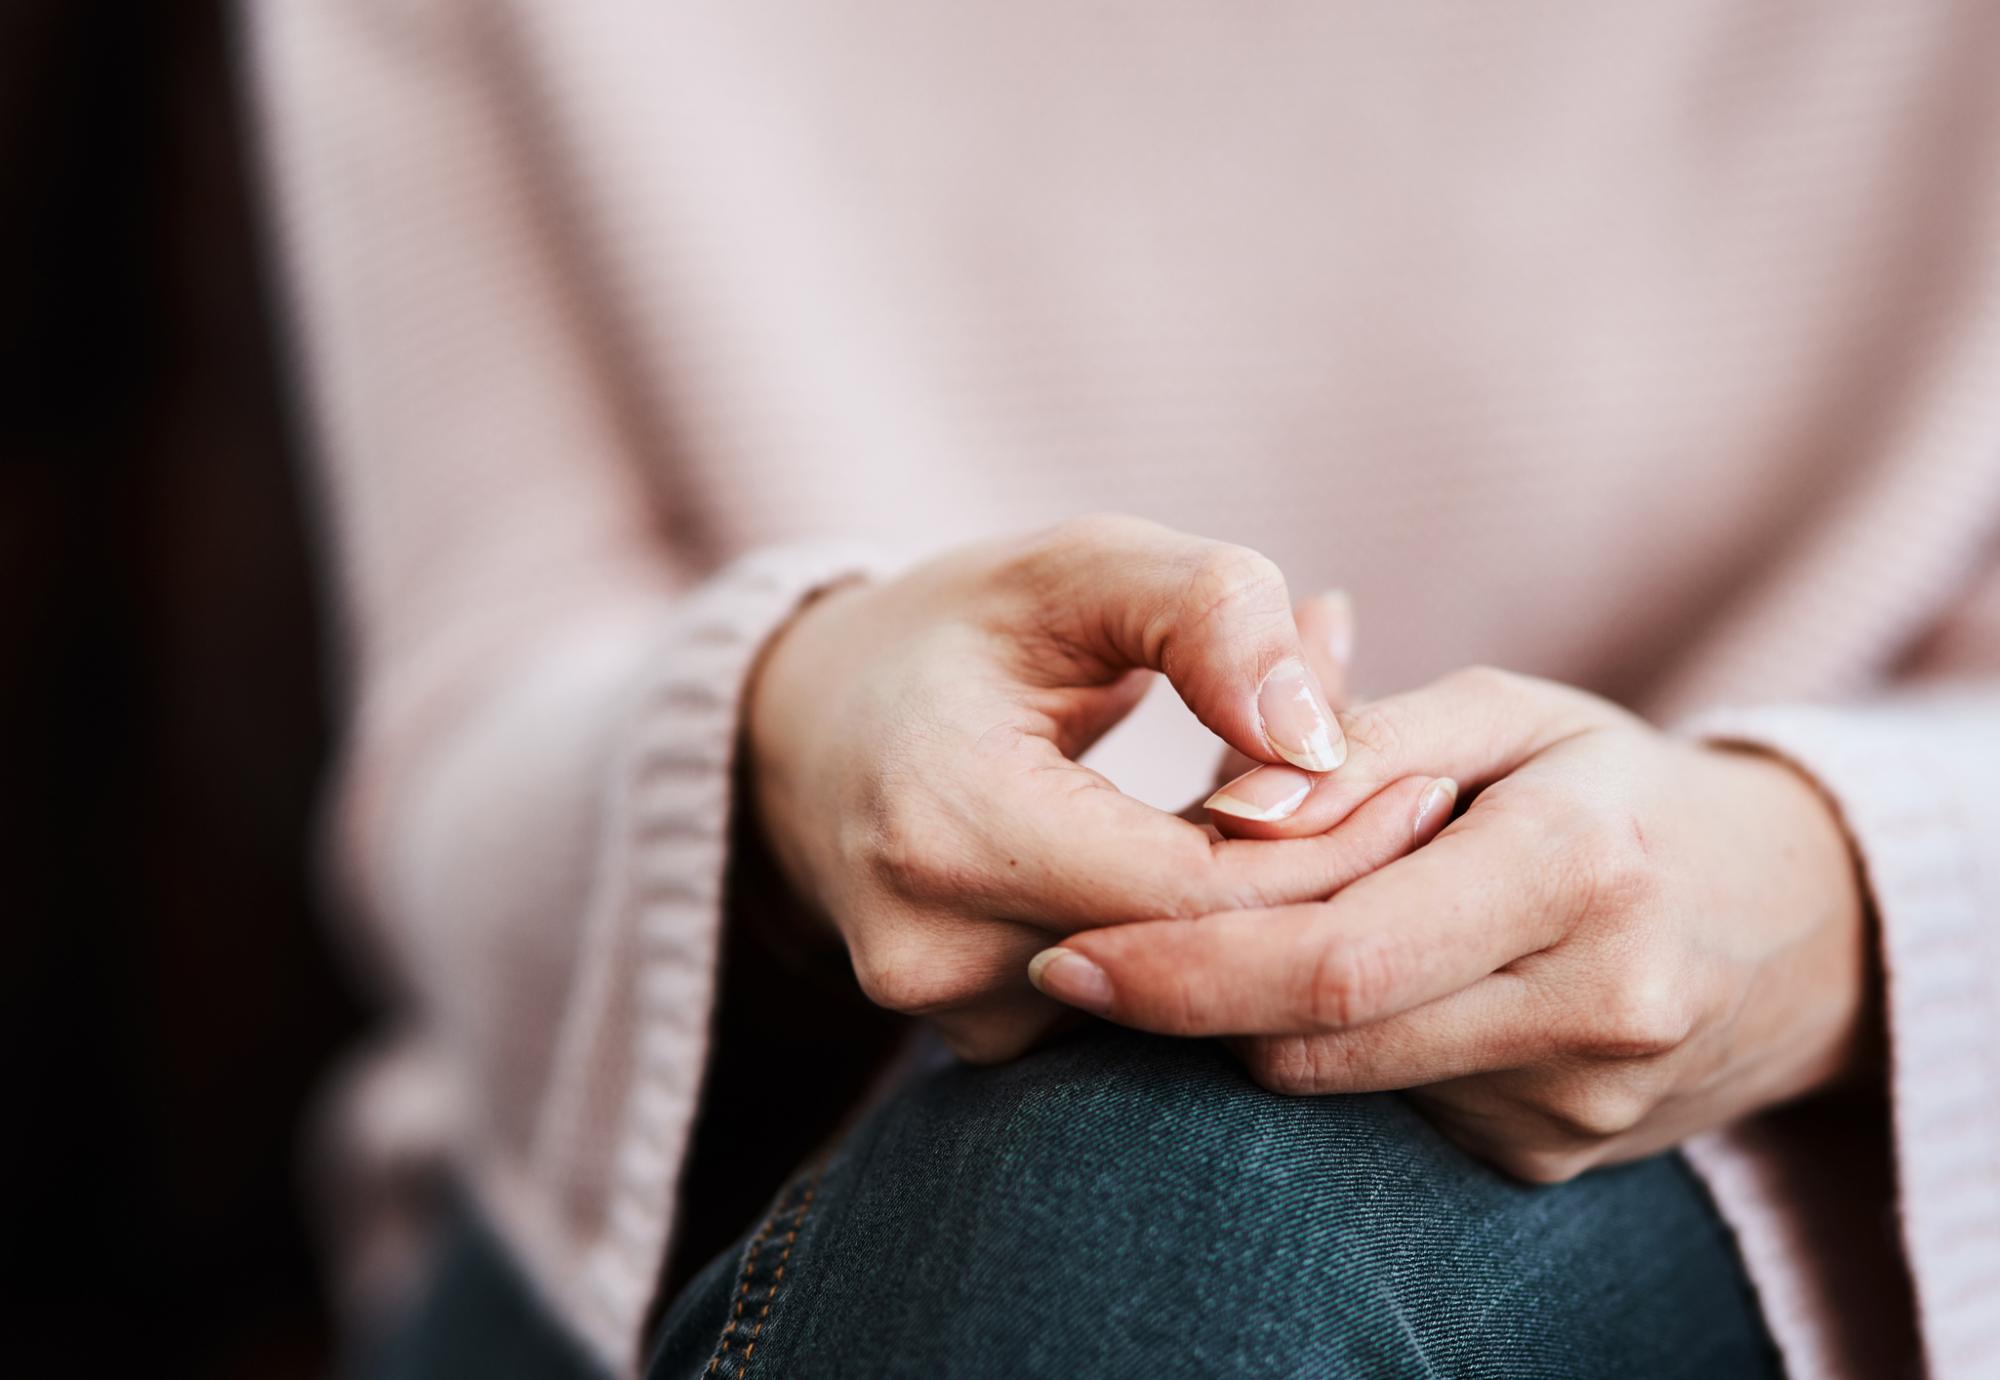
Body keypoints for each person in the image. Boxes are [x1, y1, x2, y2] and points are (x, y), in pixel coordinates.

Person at [248, 3, 2000, 1377]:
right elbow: (478, 689)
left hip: (1808, 1173)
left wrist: (1825, 891)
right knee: (1130, 1193)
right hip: (661, 1190)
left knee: (1158, 1190)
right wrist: (792, 721)